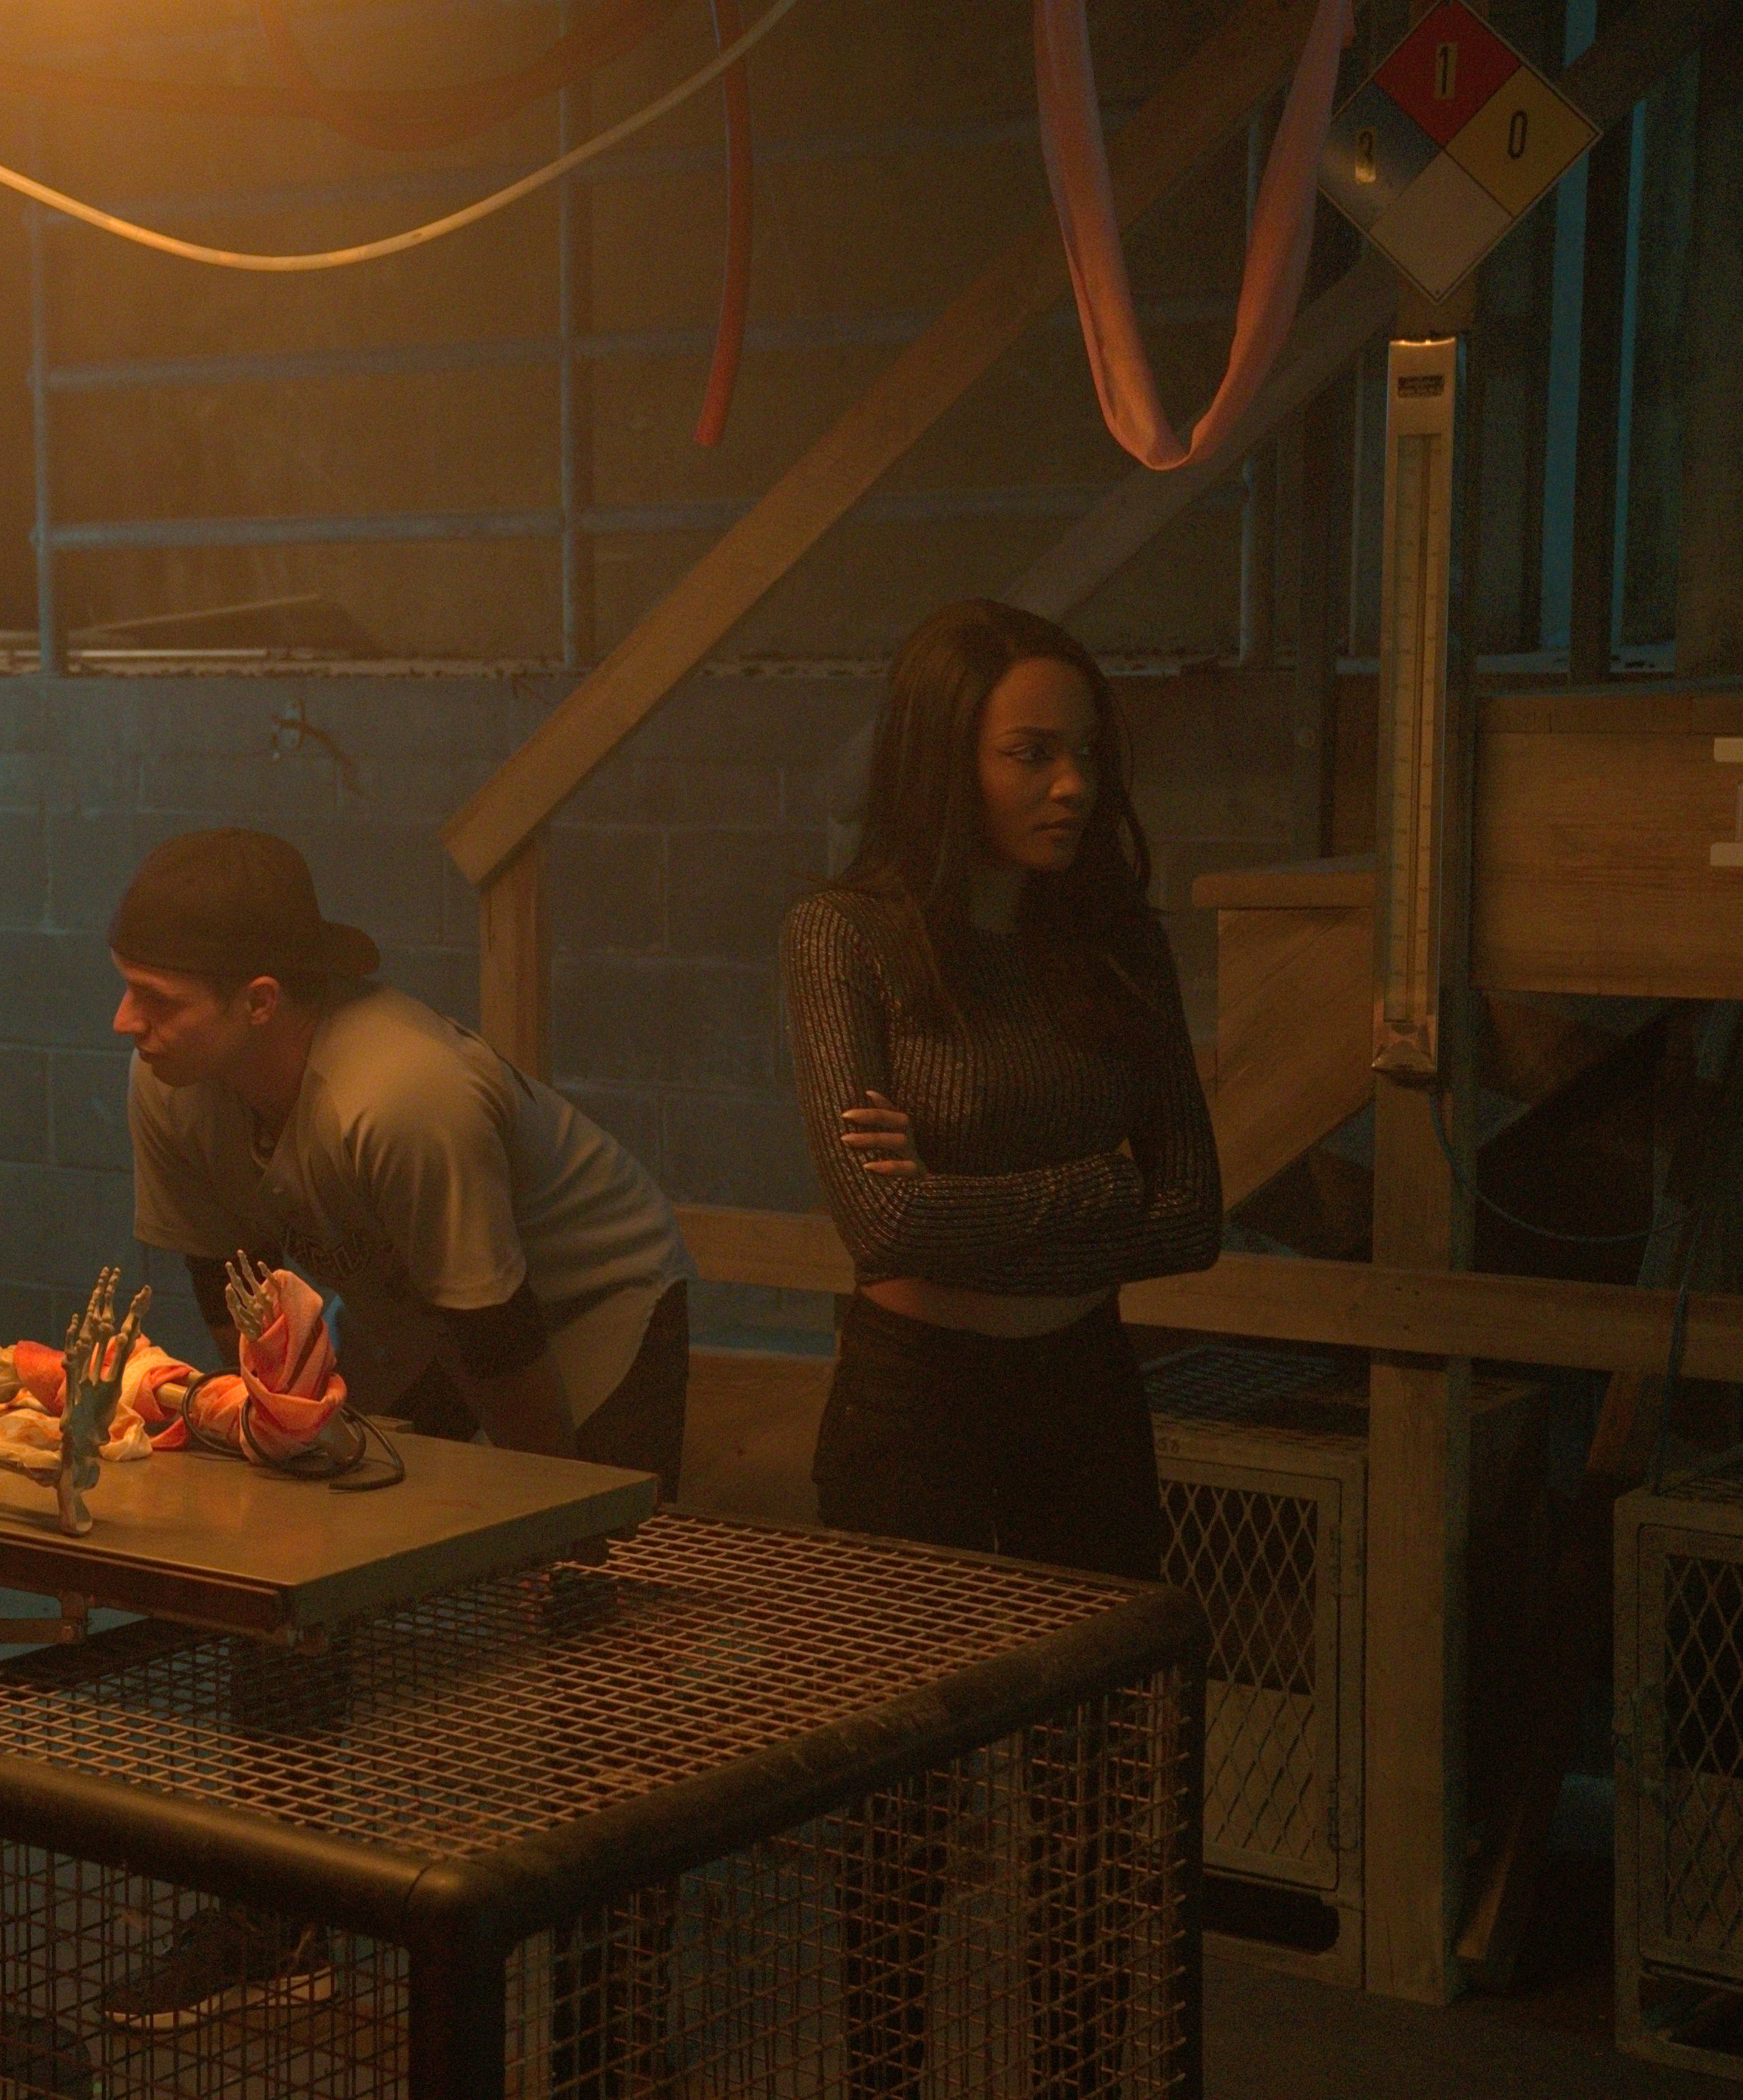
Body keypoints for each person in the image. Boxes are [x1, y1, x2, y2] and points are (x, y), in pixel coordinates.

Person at [104, 826, 692, 2031]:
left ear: (258, 1000)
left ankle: (609, 2003)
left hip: (579, 1310)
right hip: (416, 1309)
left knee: (593, 1636)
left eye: (155, 997)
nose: (125, 1021)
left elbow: (502, 1345)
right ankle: (273, 1922)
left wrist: (546, 1532)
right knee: (280, 1569)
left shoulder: (399, 1093)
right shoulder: (172, 1085)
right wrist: (268, 1436)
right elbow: (235, 1296)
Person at [783, 599, 1218, 2098]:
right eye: (1028, 753)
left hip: (1080, 1390)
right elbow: (879, 1223)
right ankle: (884, 2080)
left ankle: (1076, 2079)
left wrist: (972, 1202)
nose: (1070, 786)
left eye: (1083, 753)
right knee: (897, 1786)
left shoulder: (1114, 941)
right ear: (941, 761)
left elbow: (1188, 1215)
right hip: (912, 1400)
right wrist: (1089, 1187)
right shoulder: (845, 937)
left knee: (1089, 1788)